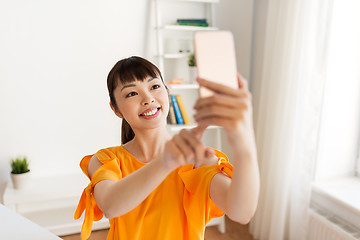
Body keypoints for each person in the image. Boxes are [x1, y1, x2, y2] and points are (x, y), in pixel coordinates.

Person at [74, 56, 259, 240]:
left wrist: (245, 145)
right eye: (131, 93)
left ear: (166, 92)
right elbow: (110, 205)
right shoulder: (105, 159)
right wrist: (166, 162)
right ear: (116, 109)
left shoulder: (197, 159)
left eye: (154, 87)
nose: (148, 99)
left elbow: (241, 213)